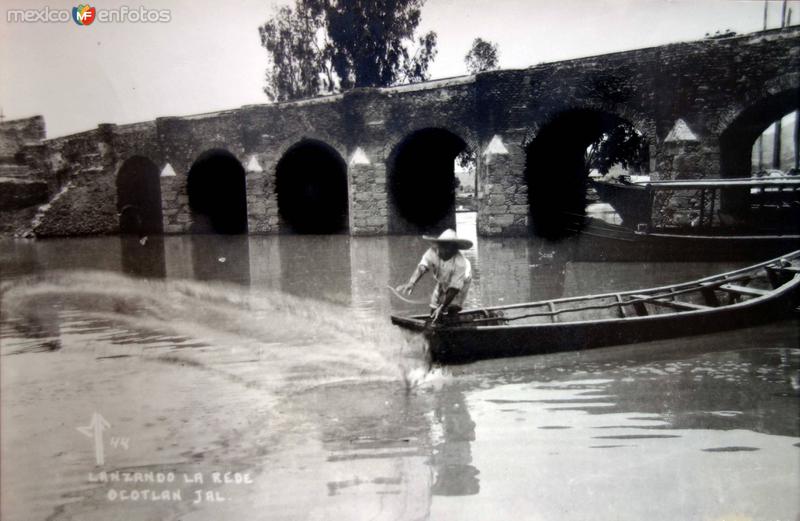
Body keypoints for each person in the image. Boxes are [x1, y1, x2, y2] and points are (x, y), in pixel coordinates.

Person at [396, 229, 473, 323]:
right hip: (442, 280)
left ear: (454, 249)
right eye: (441, 246)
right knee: (434, 307)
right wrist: (412, 282)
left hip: (462, 281)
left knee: (452, 307)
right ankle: (435, 325)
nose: (442, 250)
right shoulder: (432, 251)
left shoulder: (460, 263)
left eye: (447, 247)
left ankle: (454, 328)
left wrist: (442, 306)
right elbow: (422, 267)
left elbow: (454, 289)